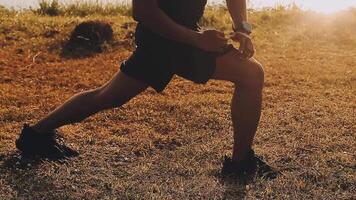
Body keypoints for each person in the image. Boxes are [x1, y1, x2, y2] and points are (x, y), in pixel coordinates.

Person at [16, 0, 277, 177]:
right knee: (251, 74)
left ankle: (36, 135)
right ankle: (240, 163)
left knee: (108, 96)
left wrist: (242, 28)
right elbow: (142, 10)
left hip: (186, 39)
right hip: (163, 41)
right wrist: (196, 39)